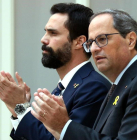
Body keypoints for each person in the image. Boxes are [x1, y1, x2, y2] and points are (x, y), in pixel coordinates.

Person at [0, 3, 111, 140]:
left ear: (79, 42)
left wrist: (20, 105)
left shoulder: (93, 87)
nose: (43, 39)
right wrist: (17, 108)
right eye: (45, 31)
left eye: (53, 33)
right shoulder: (64, 87)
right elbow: (40, 135)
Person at [31, 9, 137, 140]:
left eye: (102, 39)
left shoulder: (136, 83)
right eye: (90, 43)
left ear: (130, 40)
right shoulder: (120, 85)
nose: (94, 48)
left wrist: (64, 126)